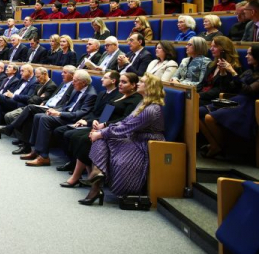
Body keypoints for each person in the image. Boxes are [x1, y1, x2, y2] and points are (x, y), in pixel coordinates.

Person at [80, 75, 165, 205]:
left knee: (101, 138)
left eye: (141, 82)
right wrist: (101, 130)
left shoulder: (151, 109)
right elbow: (124, 121)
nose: (138, 84)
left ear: (150, 87)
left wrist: (103, 131)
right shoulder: (142, 102)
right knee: (99, 139)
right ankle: (96, 180)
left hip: (145, 143)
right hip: (131, 135)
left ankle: (97, 178)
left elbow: (127, 126)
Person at [60, 72, 142, 185]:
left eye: (124, 82)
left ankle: (76, 177)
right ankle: (89, 175)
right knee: (75, 136)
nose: (120, 85)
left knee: (83, 139)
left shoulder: (135, 99)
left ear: (133, 85)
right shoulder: (120, 95)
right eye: (120, 82)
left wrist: (104, 125)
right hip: (103, 126)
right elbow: (107, 111)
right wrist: (96, 122)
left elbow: (125, 120)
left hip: (116, 130)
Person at [21, 69, 98, 167]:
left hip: (75, 119)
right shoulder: (76, 89)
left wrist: (59, 114)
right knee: (37, 116)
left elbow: (80, 114)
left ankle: (44, 157)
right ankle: (36, 150)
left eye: (75, 81)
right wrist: (55, 110)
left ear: (83, 82)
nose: (72, 83)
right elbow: (66, 105)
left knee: (45, 119)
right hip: (66, 114)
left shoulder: (91, 94)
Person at [198, 46, 259, 159]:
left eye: (250, 54)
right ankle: (215, 145)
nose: (246, 56)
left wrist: (233, 72)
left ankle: (224, 147)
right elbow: (229, 89)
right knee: (197, 112)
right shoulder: (249, 71)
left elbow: (249, 90)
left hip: (248, 105)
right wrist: (223, 73)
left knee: (209, 118)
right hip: (236, 100)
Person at [196, 36, 242, 107]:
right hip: (202, 95)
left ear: (224, 48)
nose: (211, 49)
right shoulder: (211, 64)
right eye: (211, 46)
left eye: (215, 46)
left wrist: (199, 95)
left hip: (215, 99)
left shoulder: (233, 68)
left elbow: (221, 90)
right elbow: (202, 83)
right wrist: (194, 92)